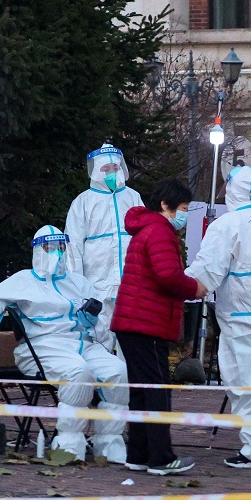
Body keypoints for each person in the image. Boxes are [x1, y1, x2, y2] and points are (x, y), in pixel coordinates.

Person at [0, 225, 129, 464]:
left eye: (60, 247)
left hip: (83, 343)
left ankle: (110, 441)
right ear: (37, 250)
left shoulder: (79, 283)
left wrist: (92, 320)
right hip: (42, 346)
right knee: (78, 372)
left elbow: (102, 327)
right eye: (49, 248)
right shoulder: (22, 281)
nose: (55, 253)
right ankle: (69, 441)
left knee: (118, 372)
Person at [185, 166, 251, 469]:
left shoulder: (226, 226)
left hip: (248, 324)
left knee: (249, 389)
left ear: (230, 190)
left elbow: (204, 277)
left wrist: (169, 284)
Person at [111, 178, 205, 475]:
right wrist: (195, 288)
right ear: (166, 205)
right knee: (156, 390)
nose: (184, 214)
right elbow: (168, 276)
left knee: (141, 389)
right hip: (145, 322)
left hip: (133, 321)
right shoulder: (160, 232)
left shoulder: (145, 228)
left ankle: (137, 454)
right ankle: (161, 458)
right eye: (182, 208)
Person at [65, 143, 144, 352]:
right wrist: (77, 285)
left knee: (131, 333)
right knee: (99, 332)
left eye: (115, 168)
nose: (111, 173)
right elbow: (73, 247)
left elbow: (144, 236)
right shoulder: (83, 201)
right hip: (97, 280)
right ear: (96, 171)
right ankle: (101, 379)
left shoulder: (133, 197)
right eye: (105, 169)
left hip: (130, 278)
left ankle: (126, 381)